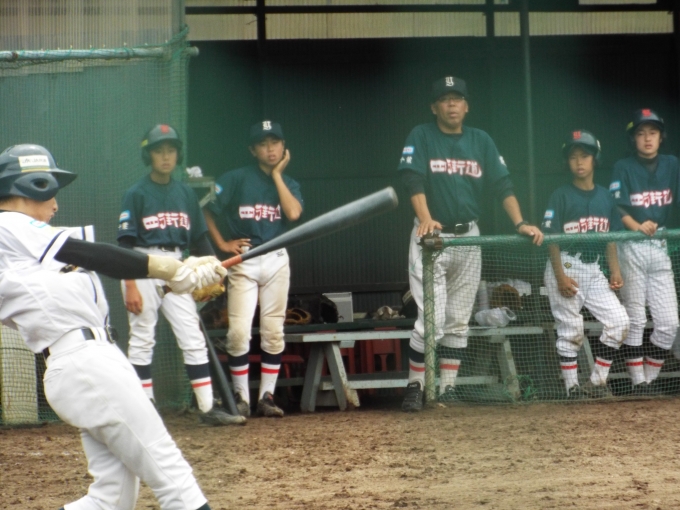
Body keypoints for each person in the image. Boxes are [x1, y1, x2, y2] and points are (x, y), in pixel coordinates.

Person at [0, 143, 225, 510]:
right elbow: (94, 255)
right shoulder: (7, 224)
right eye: (51, 192)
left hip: (89, 362)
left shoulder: (22, 247)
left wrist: (184, 273)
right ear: (31, 185)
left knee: (112, 499)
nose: (56, 205)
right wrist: (171, 268)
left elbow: (79, 277)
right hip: (85, 362)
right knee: (174, 479)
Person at [397, 76, 543, 412]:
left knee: (458, 319)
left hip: (469, 235)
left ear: (467, 106)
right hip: (432, 237)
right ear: (434, 107)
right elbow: (412, 179)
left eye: (457, 98)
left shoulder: (480, 140)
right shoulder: (421, 135)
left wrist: (520, 222)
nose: (452, 104)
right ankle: (416, 387)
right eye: (445, 99)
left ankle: (446, 389)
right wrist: (425, 218)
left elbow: (502, 184)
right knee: (431, 321)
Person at [118, 124, 242, 425]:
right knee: (143, 337)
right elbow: (124, 244)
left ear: (178, 155)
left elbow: (200, 236)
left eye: (171, 150)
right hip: (143, 263)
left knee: (192, 337)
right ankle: (144, 408)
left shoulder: (185, 193)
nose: (165, 156)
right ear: (148, 155)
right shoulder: (136, 193)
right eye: (159, 151)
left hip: (176, 264)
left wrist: (216, 269)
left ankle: (207, 408)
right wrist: (130, 285)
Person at [204, 120, 303, 418]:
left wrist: (277, 176)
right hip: (245, 259)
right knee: (238, 332)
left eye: (275, 142)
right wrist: (222, 243)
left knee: (273, 330)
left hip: (276, 258)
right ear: (252, 149)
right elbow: (206, 209)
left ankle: (267, 397)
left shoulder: (289, 183)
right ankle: (241, 397)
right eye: (263, 143)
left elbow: (293, 213)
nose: (270, 149)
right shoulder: (236, 178)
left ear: (284, 146)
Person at [541, 130, 629, 398]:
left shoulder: (605, 197)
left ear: (595, 159)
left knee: (620, 321)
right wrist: (560, 277)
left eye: (585, 156)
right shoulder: (560, 195)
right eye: (573, 157)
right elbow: (551, 240)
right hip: (566, 265)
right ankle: (572, 389)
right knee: (571, 329)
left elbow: (610, 239)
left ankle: (597, 382)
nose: (579, 161)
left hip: (594, 268)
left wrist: (615, 270)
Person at [610, 109, 680, 393]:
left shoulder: (672, 164)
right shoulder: (623, 166)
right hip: (631, 243)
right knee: (636, 319)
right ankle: (638, 383)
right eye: (641, 133)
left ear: (661, 137)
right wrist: (637, 226)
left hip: (660, 244)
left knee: (669, 323)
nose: (647, 138)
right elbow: (615, 206)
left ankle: (648, 381)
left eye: (653, 132)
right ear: (633, 139)